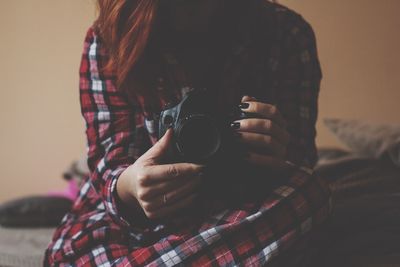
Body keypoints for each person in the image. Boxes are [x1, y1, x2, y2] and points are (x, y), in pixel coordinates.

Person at [44, 0, 332, 266]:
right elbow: (109, 162)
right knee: (76, 247)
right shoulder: (110, 39)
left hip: (241, 204)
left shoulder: (287, 34)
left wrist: (278, 149)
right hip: (140, 219)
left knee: (309, 192)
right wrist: (132, 186)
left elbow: (300, 158)